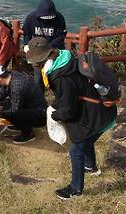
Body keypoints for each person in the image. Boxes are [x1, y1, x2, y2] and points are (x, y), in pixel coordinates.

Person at [26, 37, 117, 200]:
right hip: (102, 109)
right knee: (86, 139)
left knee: (76, 148)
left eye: (37, 62)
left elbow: (69, 109)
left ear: (45, 59)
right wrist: (56, 104)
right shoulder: (66, 58)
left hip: (97, 114)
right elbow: (71, 95)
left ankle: (75, 190)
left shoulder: (62, 78)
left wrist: (55, 115)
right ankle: (91, 167)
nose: (36, 66)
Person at [0, 64, 47, 144]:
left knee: (6, 112)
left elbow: (15, 110)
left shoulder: (17, 86)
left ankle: (28, 134)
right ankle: (19, 125)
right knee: (2, 108)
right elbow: (3, 91)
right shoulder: (10, 76)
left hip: (40, 115)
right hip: (30, 107)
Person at [23, 0, 67, 93]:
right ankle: (39, 98)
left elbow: (61, 36)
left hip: (53, 51)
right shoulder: (31, 18)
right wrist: (26, 44)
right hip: (37, 51)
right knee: (38, 77)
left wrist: (48, 47)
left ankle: (58, 97)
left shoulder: (59, 18)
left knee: (56, 76)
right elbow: (26, 33)